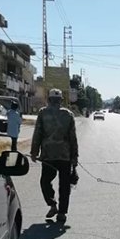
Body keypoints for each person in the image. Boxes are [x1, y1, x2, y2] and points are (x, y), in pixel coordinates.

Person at [30, 88, 78, 225]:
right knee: (64, 186)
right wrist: (75, 157)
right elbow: (73, 138)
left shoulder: (43, 113)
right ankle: (61, 213)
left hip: (48, 156)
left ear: (49, 99)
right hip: (65, 156)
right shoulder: (68, 115)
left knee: (45, 182)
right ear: (61, 101)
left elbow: (37, 133)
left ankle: (52, 204)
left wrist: (34, 151)